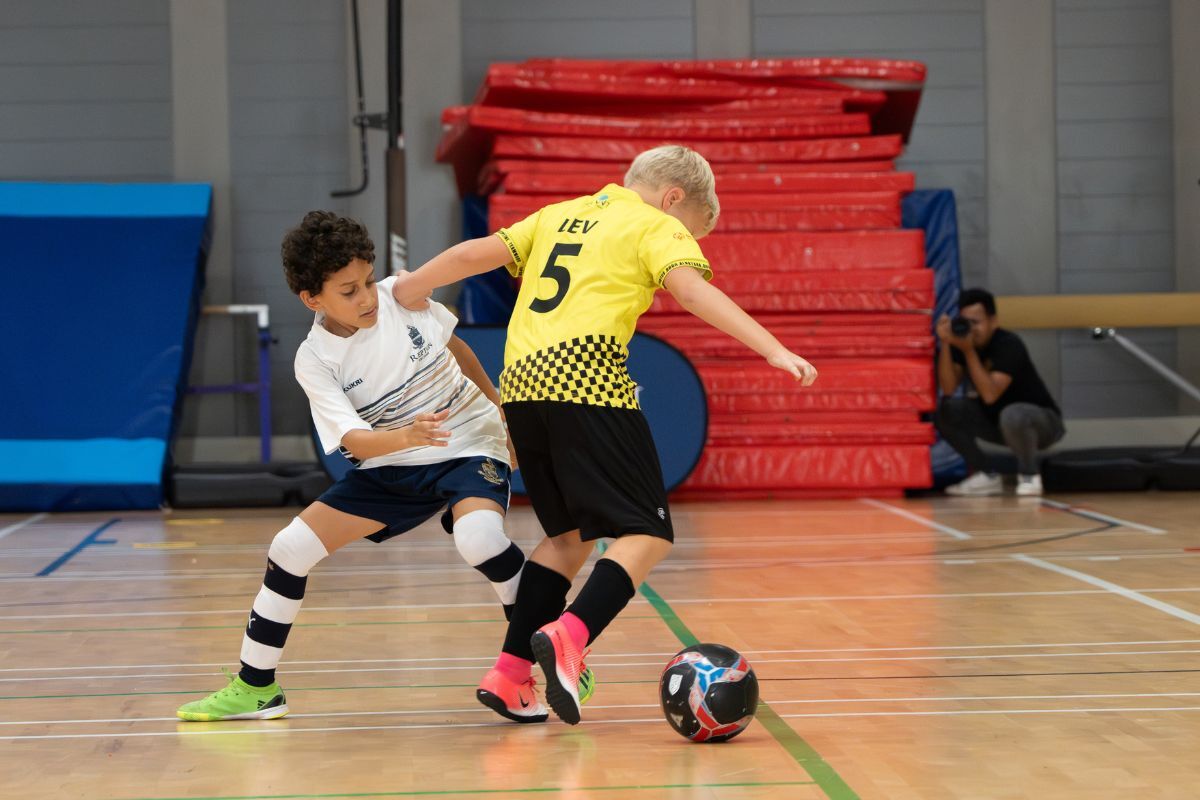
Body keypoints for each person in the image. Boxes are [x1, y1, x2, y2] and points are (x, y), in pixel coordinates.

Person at [391, 144, 818, 725]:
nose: (688, 240)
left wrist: (407, 290)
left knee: (567, 539)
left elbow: (473, 255)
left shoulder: (559, 213)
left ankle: (511, 674)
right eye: (690, 230)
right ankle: (571, 636)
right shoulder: (651, 224)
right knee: (648, 532)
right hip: (587, 378)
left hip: (520, 385)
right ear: (673, 199)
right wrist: (774, 348)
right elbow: (691, 291)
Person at [177, 211, 538, 722]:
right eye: (349, 291)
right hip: (394, 458)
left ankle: (543, 651)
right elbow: (355, 444)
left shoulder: (401, 298)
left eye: (368, 280)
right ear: (312, 299)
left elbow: (455, 347)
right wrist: (406, 436)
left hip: (468, 443)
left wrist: (500, 409)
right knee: (289, 548)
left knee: (479, 538)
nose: (368, 297)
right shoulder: (314, 360)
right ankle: (256, 687)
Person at [935, 288, 1065, 496]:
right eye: (966, 322)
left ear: (993, 321)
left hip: (1041, 423)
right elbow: (948, 389)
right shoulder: (962, 344)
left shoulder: (1008, 344)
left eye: (976, 322)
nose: (971, 329)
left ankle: (1029, 475)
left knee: (1013, 414)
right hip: (1000, 424)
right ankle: (987, 475)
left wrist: (968, 352)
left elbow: (990, 394)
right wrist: (946, 343)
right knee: (946, 410)